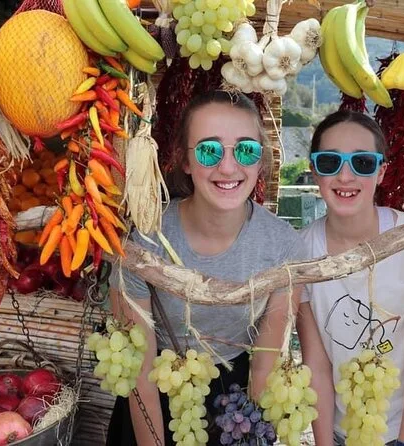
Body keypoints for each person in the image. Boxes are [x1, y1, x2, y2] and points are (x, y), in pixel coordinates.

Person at [106, 90, 306, 446]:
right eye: (209, 151)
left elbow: (265, 364)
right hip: (153, 395)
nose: (228, 167)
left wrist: (248, 435)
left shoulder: (282, 245)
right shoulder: (146, 239)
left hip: (234, 406)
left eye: (246, 150)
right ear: (185, 160)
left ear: (260, 161)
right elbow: (138, 368)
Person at [297, 110, 404, 446]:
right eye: (329, 162)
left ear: (381, 172)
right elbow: (316, 363)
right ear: (314, 170)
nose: (345, 176)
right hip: (344, 431)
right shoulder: (300, 252)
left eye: (362, 163)